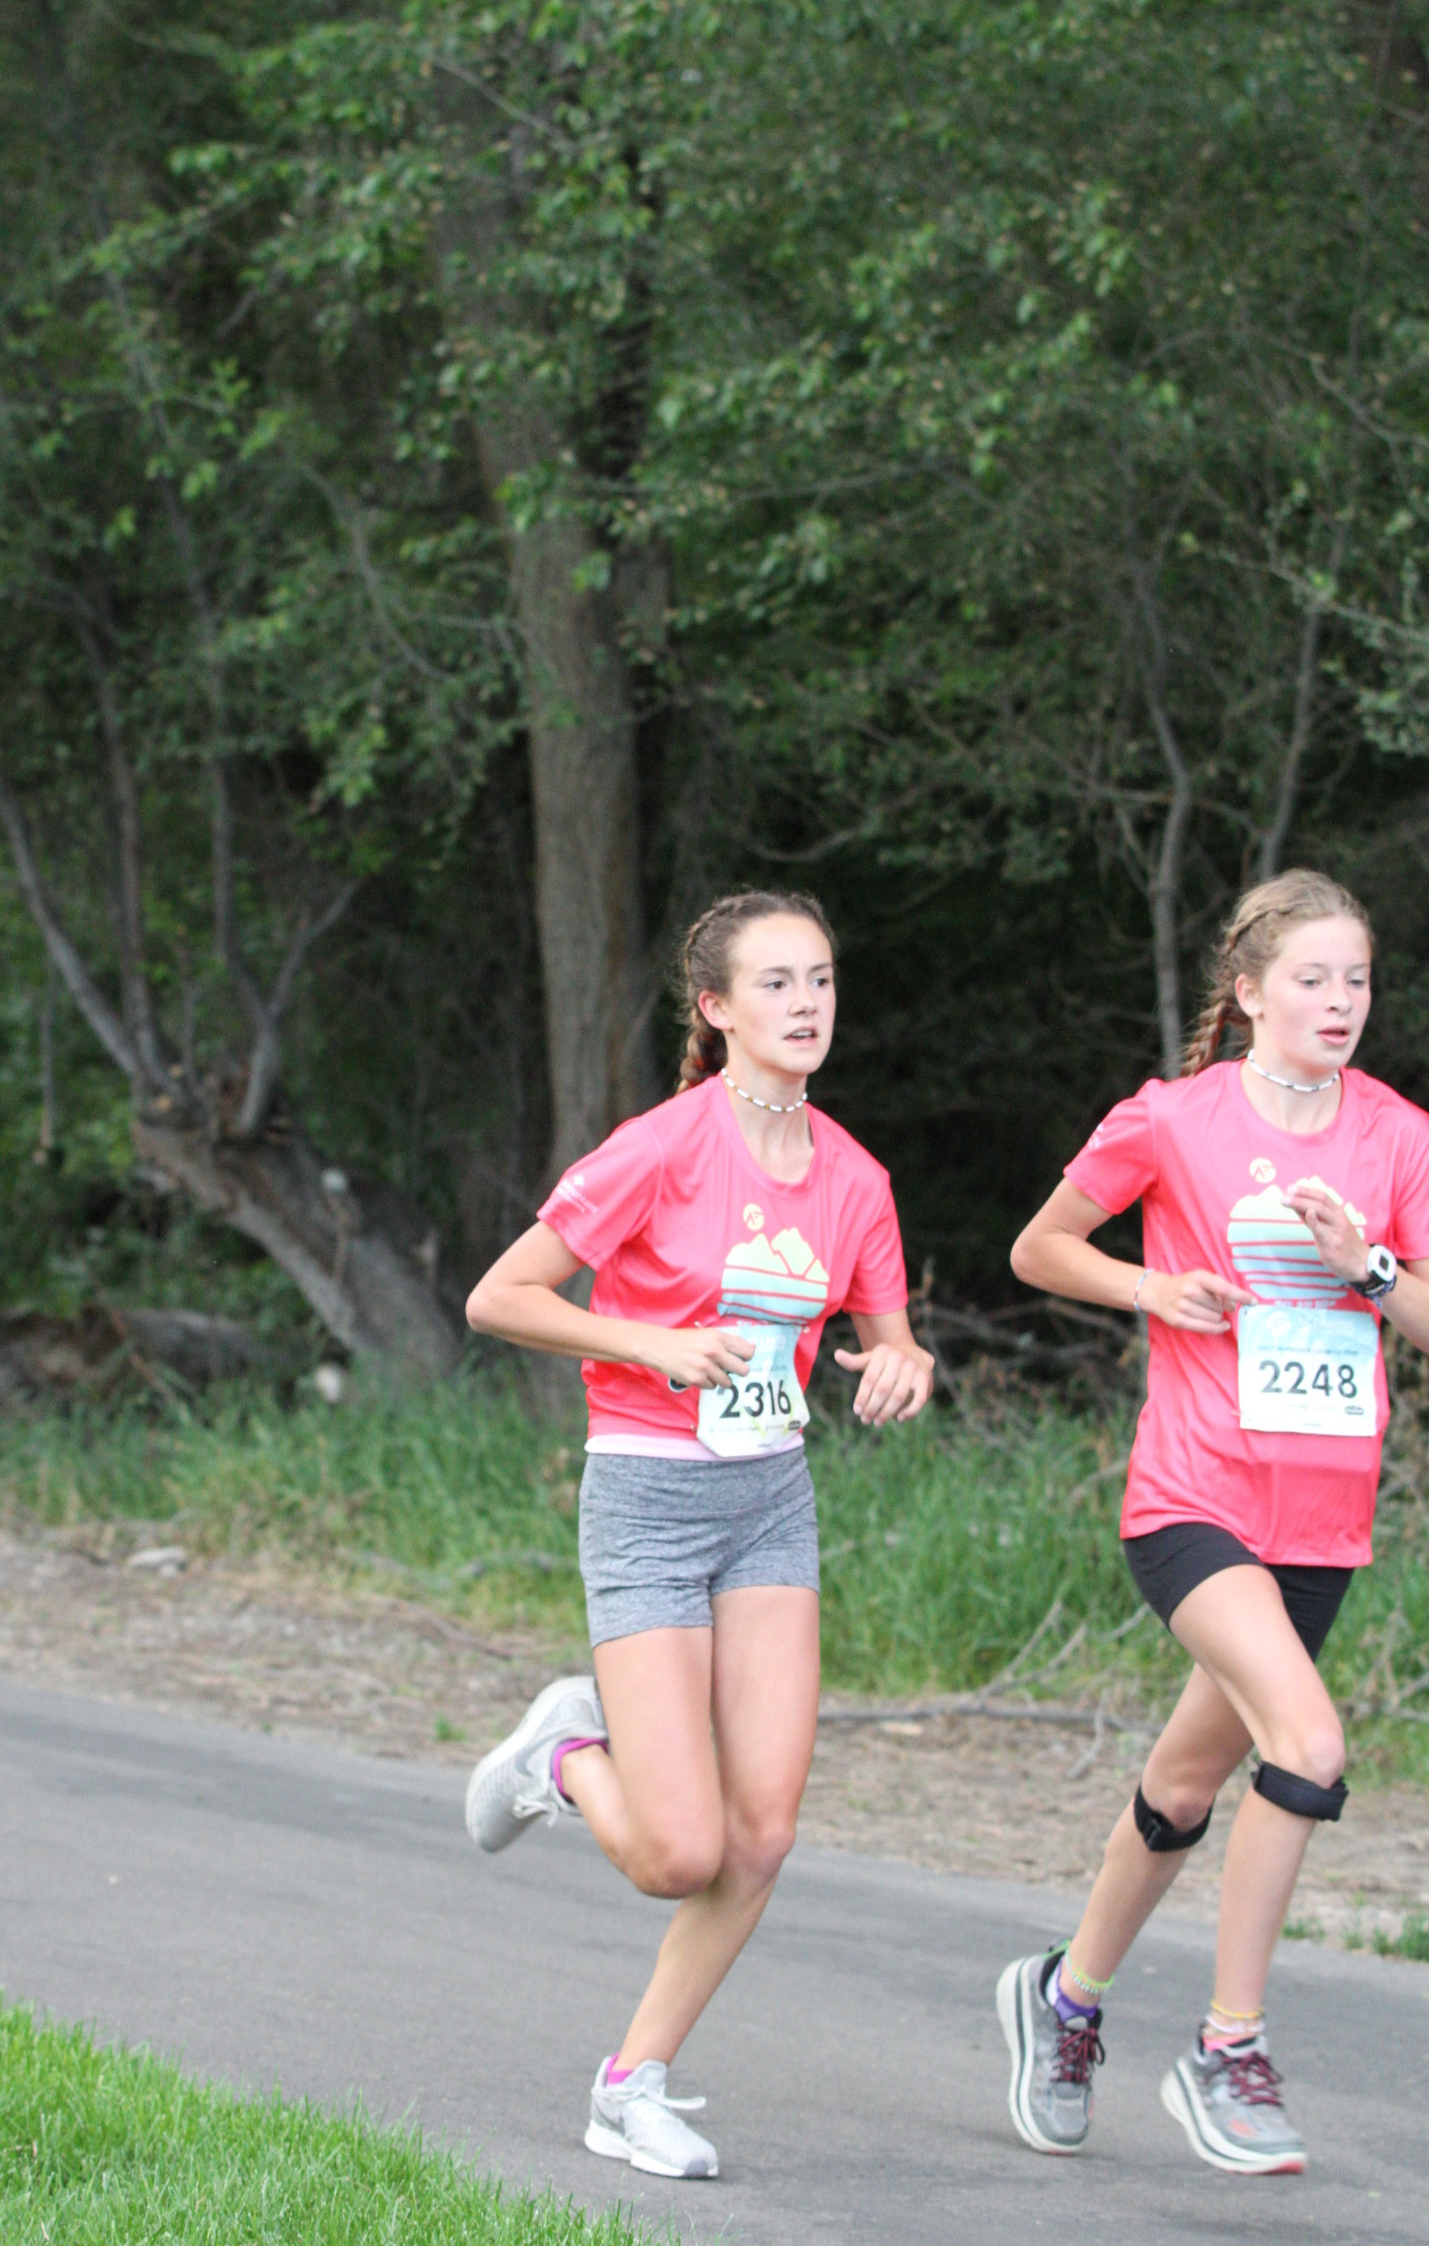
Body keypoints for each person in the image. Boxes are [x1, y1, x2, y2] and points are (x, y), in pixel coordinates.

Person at [461, 890, 933, 2178]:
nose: (807, 1004)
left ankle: (633, 2083)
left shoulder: (855, 1178)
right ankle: (564, 1754)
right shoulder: (660, 1149)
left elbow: (890, 1338)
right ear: (717, 1008)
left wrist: (904, 1367)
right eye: (776, 984)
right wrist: (650, 1345)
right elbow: (500, 1296)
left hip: (771, 1501)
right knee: (679, 1853)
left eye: (821, 979)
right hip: (648, 1498)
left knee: (762, 1834)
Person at [998, 869, 1429, 2174]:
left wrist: (1370, 1266)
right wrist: (1152, 1287)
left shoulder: (1398, 1136)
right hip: (1191, 1498)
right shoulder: (1172, 1119)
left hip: (1322, 1521)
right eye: (1313, 978)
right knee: (1309, 1743)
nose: (1340, 1001)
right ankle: (1227, 2048)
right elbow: (1040, 1248)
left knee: (1187, 1781)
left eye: (1358, 980)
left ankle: (1065, 2000)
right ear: (1247, 993)